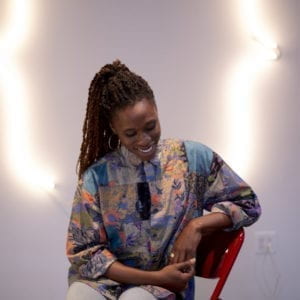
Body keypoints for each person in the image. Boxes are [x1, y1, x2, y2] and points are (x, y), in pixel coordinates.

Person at [66, 60, 261, 300]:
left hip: (166, 289)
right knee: (79, 295)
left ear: (157, 110)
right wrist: (156, 277)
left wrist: (196, 225)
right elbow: (84, 253)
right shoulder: (97, 177)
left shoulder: (193, 159)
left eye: (151, 126)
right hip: (108, 282)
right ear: (114, 129)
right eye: (130, 133)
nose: (144, 139)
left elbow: (248, 204)